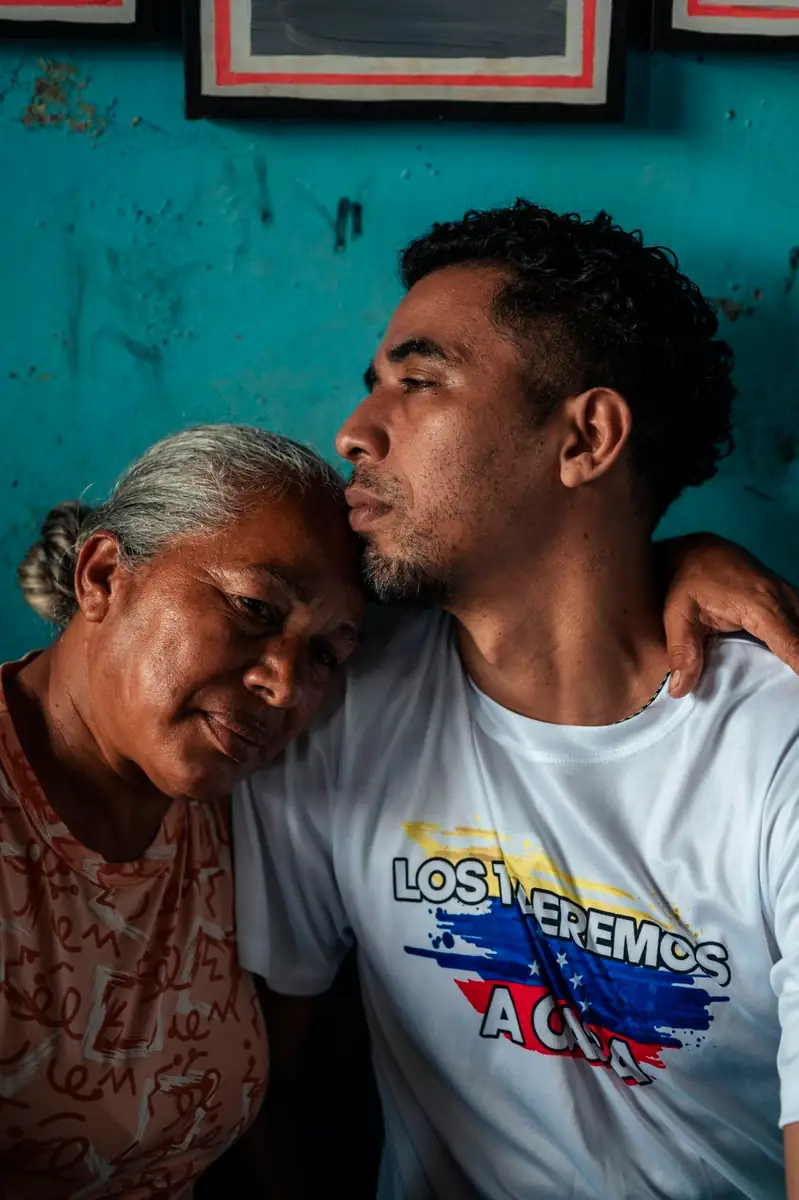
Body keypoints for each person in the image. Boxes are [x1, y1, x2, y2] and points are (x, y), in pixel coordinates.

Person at [235, 202, 799, 1199]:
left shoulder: (772, 746)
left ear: (586, 437)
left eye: (417, 382)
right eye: (373, 384)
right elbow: (252, 1096)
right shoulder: (333, 700)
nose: (354, 431)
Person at [0, 424, 364, 1199]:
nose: (286, 687)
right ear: (103, 577)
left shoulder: (245, 813)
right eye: (256, 607)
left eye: (325, 655)